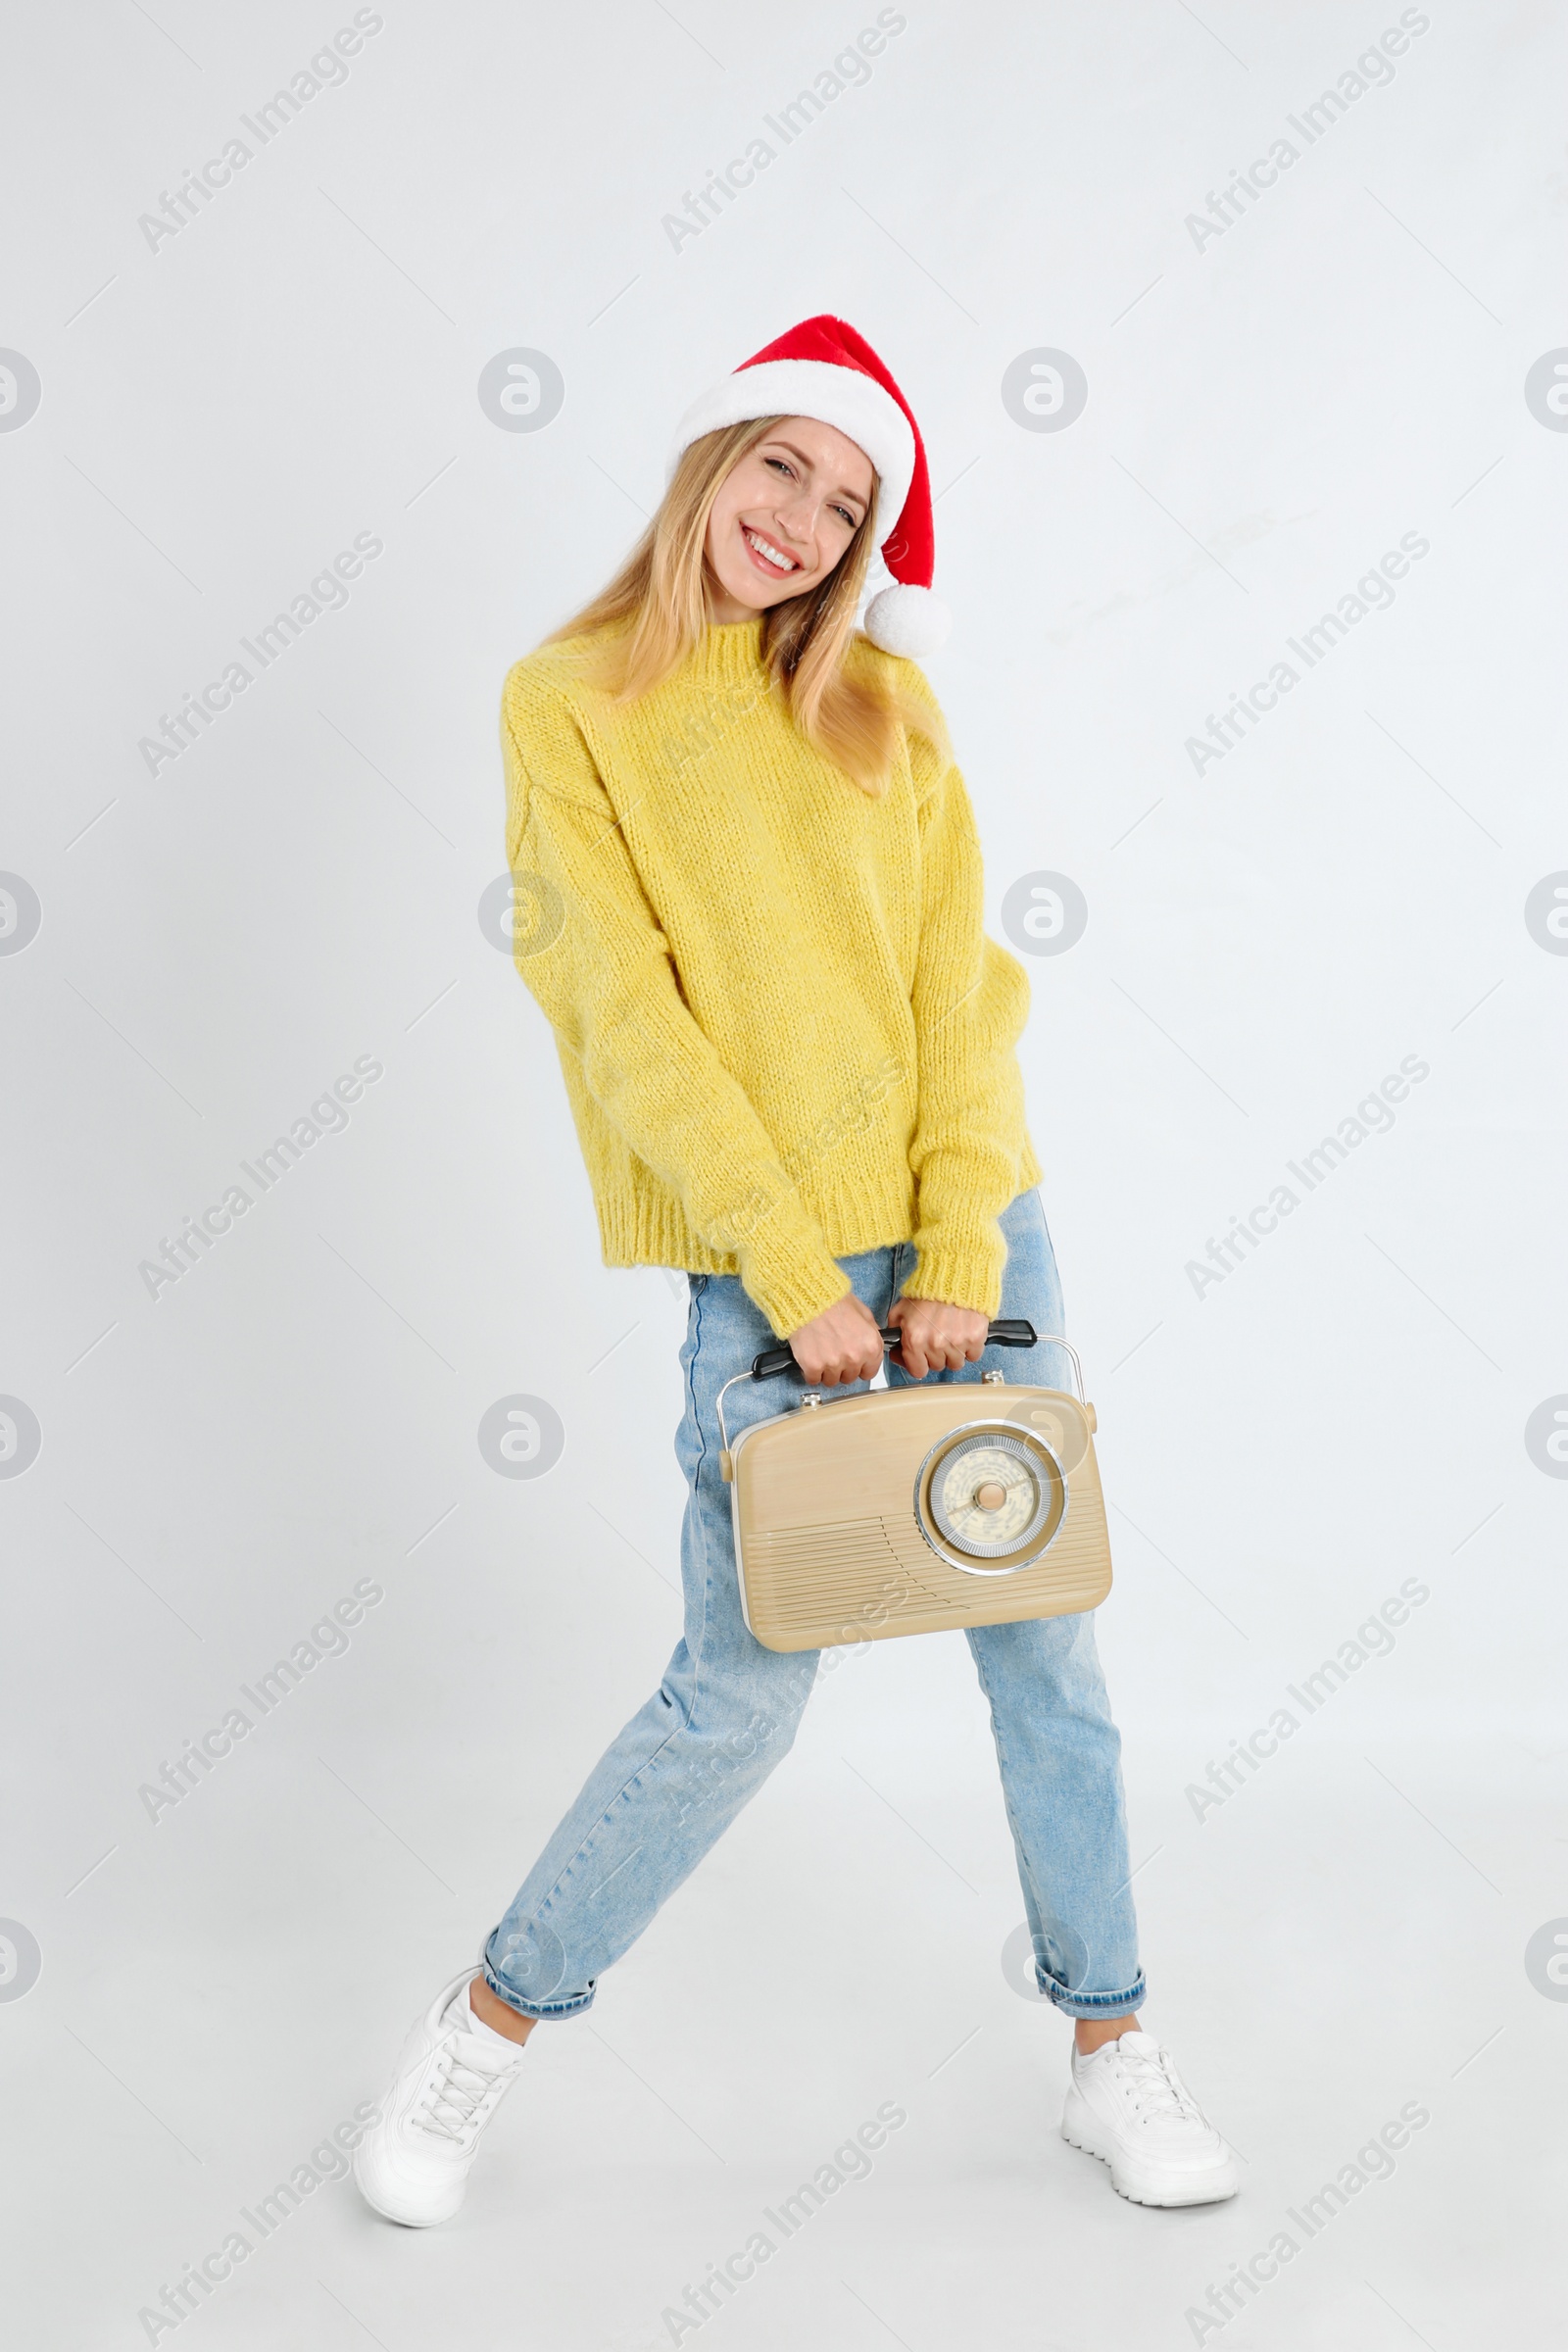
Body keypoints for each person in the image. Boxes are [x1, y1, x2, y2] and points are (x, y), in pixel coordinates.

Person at [353, 315, 1237, 2228]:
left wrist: (953, 1242)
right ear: (711, 458)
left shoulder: (885, 718)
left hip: (969, 1240)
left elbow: (959, 999)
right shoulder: (564, 699)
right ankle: (490, 2018)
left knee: (1044, 1654)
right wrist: (788, 1271)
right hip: (765, 1272)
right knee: (740, 1696)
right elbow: (622, 1016)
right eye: (781, 469)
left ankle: (1109, 2047)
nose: (802, 523)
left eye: (845, 509)